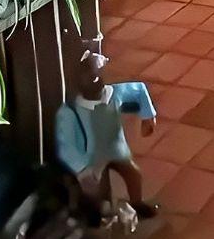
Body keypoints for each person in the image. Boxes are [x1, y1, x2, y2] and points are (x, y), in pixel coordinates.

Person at [54, 47, 158, 217]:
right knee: (99, 194)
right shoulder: (70, 111)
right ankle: (99, 214)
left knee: (134, 176)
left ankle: (137, 204)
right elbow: (67, 146)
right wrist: (81, 169)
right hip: (92, 158)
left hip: (117, 149)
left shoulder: (114, 94)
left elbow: (138, 90)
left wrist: (148, 116)